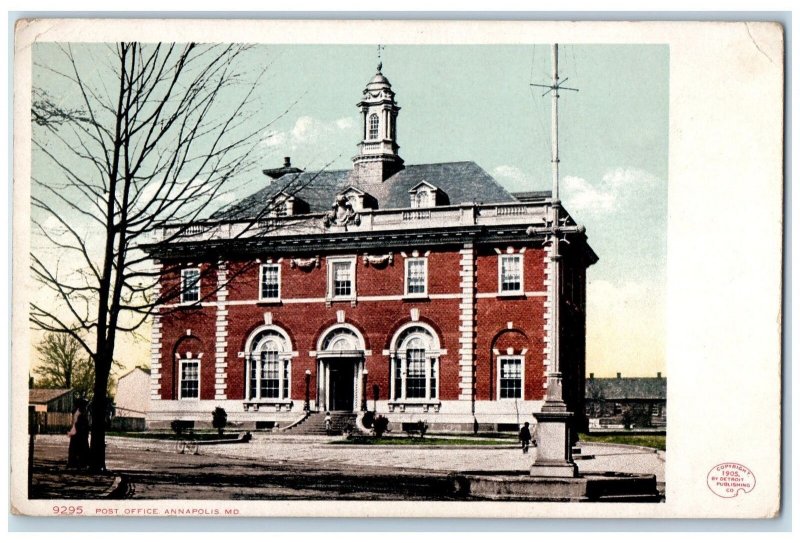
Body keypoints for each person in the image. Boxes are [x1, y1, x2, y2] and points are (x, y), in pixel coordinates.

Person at [67, 399, 90, 469]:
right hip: (79, 435)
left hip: (79, 435)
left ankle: (77, 463)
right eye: (85, 405)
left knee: (77, 450)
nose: (86, 407)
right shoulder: (79, 414)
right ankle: (78, 463)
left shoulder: (79, 413)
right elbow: (78, 425)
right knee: (79, 450)